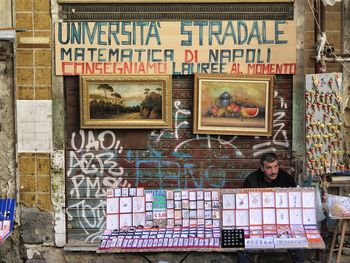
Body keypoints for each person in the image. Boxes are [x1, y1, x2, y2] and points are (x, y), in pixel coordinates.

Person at [238, 152, 304, 263]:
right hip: (257, 222)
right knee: (241, 246)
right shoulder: (251, 180)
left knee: (299, 244)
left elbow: (295, 203)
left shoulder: (286, 178)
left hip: (283, 222)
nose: (273, 171)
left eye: (275, 167)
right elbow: (244, 206)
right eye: (269, 168)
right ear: (262, 168)